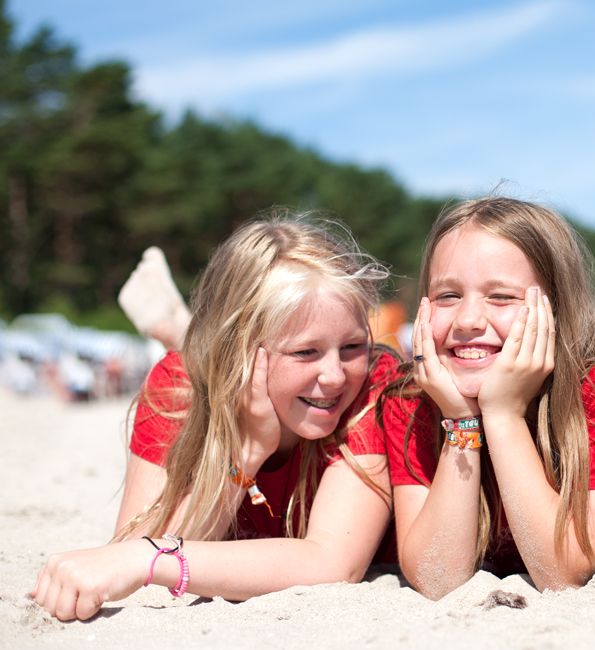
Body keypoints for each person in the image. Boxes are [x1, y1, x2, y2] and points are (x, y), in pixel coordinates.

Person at [31, 215, 400, 620]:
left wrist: (147, 559)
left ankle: (181, 328)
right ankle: (186, 335)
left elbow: (333, 562)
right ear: (240, 351)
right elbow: (134, 548)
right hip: (215, 373)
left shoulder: (371, 389)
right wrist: (247, 450)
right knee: (199, 375)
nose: (334, 375)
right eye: (305, 352)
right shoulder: (178, 387)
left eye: (352, 346)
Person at [380, 197, 595, 599]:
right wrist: (462, 422)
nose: (467, 321)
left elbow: (563, 572)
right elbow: (437, 578)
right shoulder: (410, 401)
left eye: (500, 297)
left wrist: (502, 415)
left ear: (554, 308)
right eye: (448, 296)